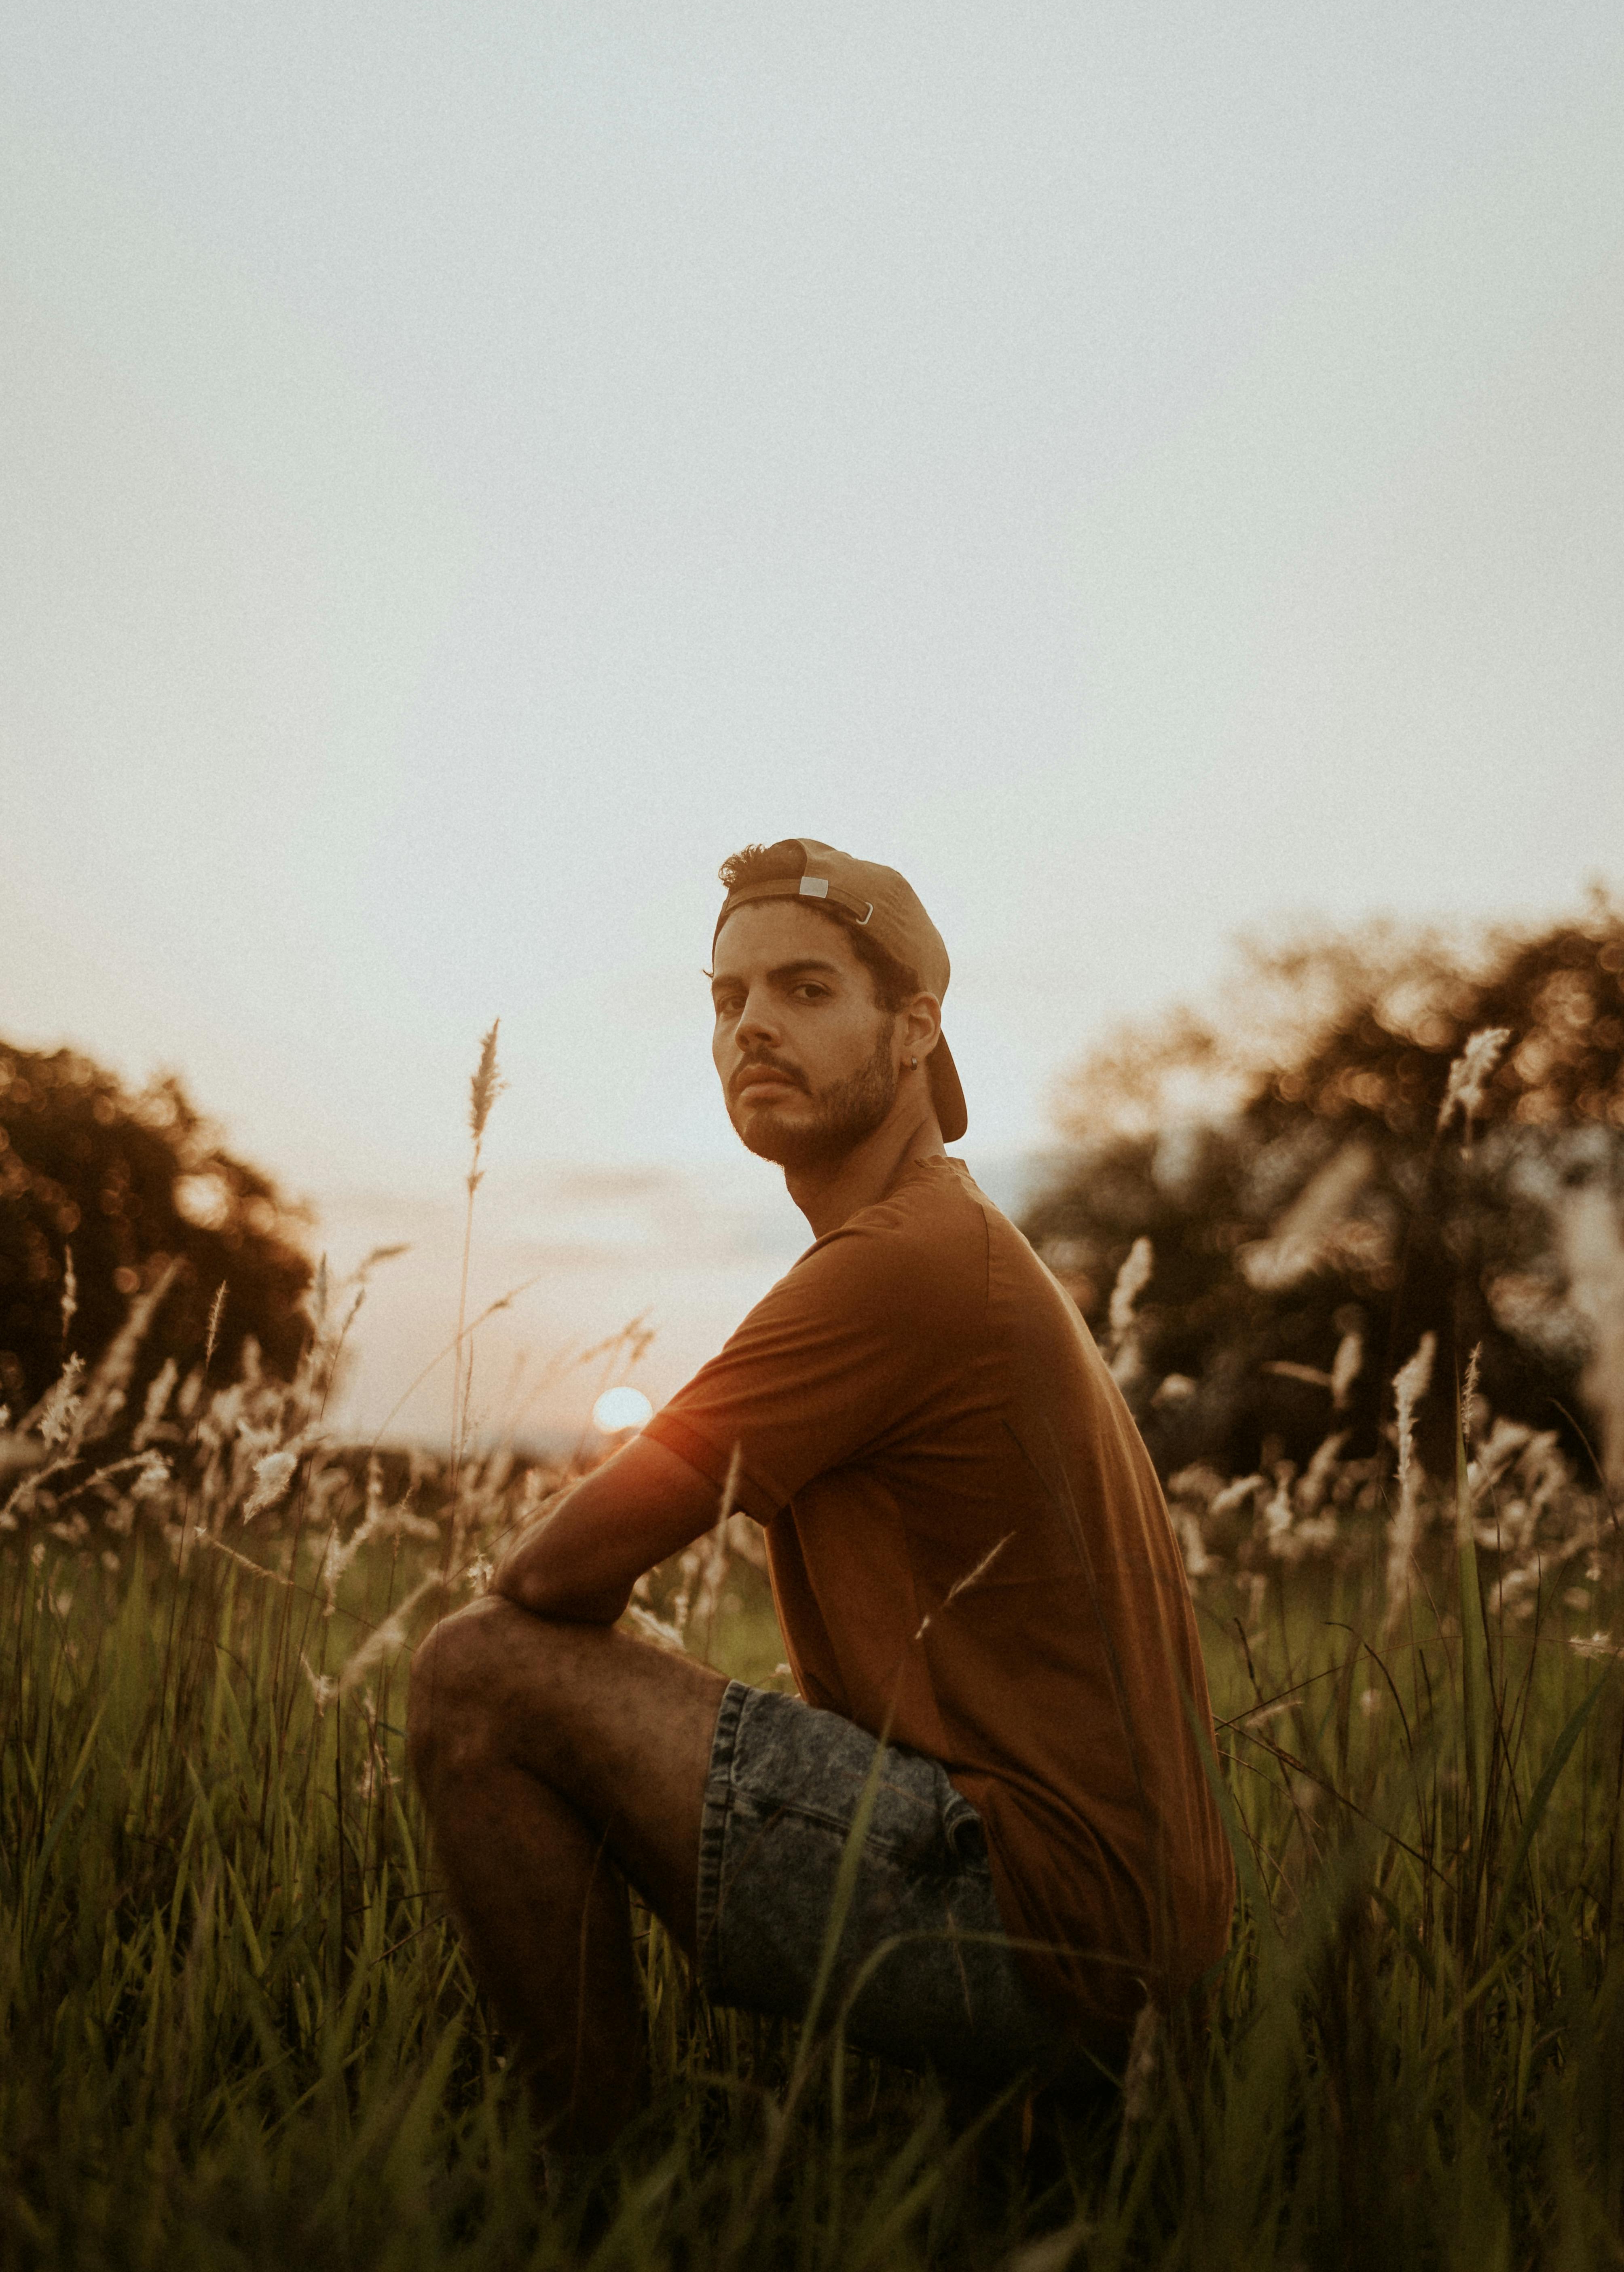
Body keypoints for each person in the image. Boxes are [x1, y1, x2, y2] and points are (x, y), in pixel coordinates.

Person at [408, 836, 1234, 2156]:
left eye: (803, 991)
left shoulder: (900, 1264)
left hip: (1046, 1922)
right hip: (1117, 1931)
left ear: (913, 1032)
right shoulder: (950, 1239)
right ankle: (1021, 2131)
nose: (751, 1030)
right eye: (727, 1000)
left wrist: (624, 1706)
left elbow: (548, 1580)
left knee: (480, 1673)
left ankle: (588, 2195)